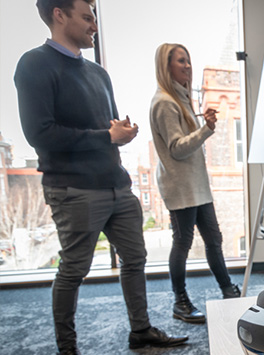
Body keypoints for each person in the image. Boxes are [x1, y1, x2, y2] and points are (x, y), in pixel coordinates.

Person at [13, 1, 189, 353]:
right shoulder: (34, 64)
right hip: (73, 188)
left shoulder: (99, 74)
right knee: (74, 269)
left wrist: (119, 131)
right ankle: (68, 347)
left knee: (135, 259)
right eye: (87, 17)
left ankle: (140, 330)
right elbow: (40, 134)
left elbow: (105, 128)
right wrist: (106, 136)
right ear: (59, 15)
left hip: (117, 185)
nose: (94, 25)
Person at [149, 43, 241, 324]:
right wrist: (206, 130)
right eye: (180, 61)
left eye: (188, 61)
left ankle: (228, 290)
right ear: (166, 67)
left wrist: (203, 126)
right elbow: (177, 148)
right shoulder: (165, 102)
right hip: (181, 187)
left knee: (214, 239)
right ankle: (180, 302)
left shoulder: (181, 98)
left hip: (197, 185)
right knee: (183, 243)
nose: (187, 66)